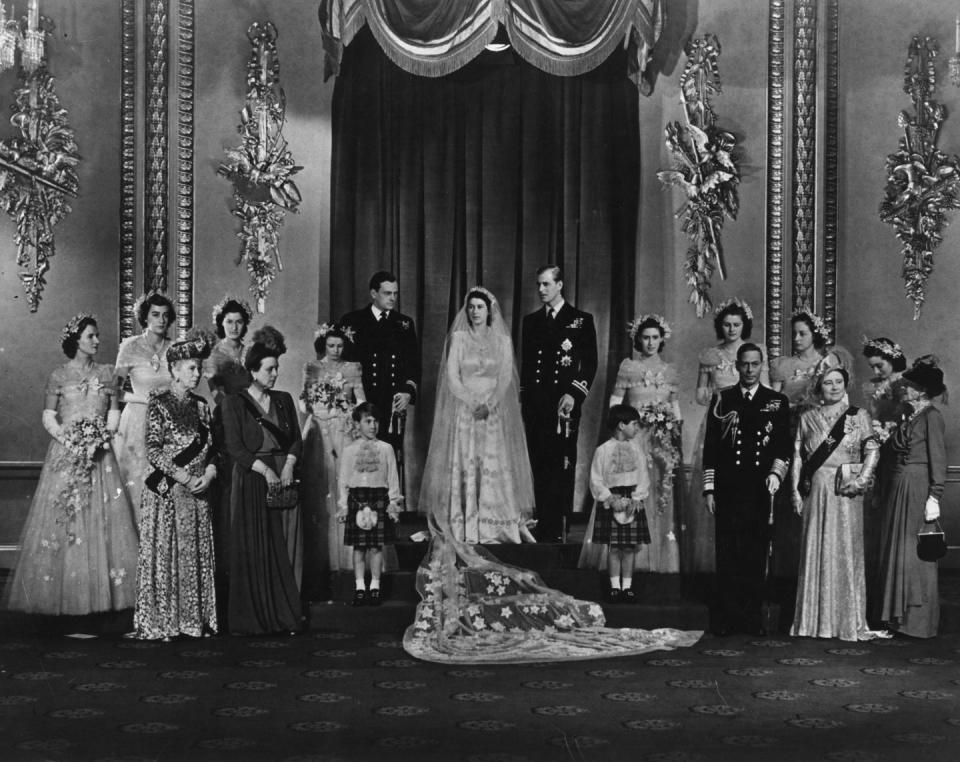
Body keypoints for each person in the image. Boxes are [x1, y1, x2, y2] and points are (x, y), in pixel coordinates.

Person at [5, 314, 139, 615]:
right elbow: (48, 416)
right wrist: (70, 441)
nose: (97, 341)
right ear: (76, 339)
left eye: (97, 335)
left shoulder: (107, 373)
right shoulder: (58, 375)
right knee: (67, 518)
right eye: (91, 336)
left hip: (101, 456)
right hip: (67, 455)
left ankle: (103, 598)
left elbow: (115, 410)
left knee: (101, 518)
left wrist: (104, 438)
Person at [419, 288, 536, 545]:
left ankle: (491, 524)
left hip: (492, 414)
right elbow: (452, 376)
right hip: (465, 410)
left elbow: (505, 376)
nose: (474, 312)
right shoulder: (459, 338)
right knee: (466, 462)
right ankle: (465, 522)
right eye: (470, 307)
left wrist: (490, 404)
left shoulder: (502, 341)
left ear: (489, 310)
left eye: (479, 307)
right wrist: (472, 403)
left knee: (491, 464)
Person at [789, 367, 888, 641]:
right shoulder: (807, 417)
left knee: (844, 550)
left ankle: (845, 621)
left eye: (838, 382)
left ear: (846, 384)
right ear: (819, 387)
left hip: (846, 491)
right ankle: (813, 621)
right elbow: (797, 456)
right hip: (816, 489)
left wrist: (862, 480)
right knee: (815, 549)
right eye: (828, 383)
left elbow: (872, 450)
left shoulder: (858, 416)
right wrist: (795, 493)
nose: (833, 387)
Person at [133, 334, 218, 641]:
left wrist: (208, 474)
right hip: (169, 491)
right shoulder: (159, 404)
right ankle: (166, 622)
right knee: (168, 557)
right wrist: (183, 478)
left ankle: (194, 621)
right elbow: (153, 450)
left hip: (198, 492)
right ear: (175, 369)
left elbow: (211, 448)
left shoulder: (201, 406)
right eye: (192, 368)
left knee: (193, 556)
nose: (198, 374)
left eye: (199, 368)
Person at [702, 343, 791, 635]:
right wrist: (710, 488)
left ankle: (751, 617)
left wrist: (776, 475)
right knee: (728, 552)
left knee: (755, 552)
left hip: (759, 489)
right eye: (745, 364)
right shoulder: (723, 399)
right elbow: (711, 447)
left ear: (762, 365)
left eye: (755, 365)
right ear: (737, 366)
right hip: (729, 488)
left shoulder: (776, 401)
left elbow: (782, 446)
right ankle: (727, 619)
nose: (750, 370)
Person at [220, 328, 303, 635]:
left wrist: (288, 466)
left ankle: (285, 613)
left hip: (285, 477)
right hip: (254, 479)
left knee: (285, 548)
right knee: (256, 550)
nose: (275, 374)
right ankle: (256, 618)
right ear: (253, 370)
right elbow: (236, 448)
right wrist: (266, 471)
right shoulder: (233, 403)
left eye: (277, 368)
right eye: (269, 369)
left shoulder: (284, 400)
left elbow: (295, 440)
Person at [687, 298, 765, 575]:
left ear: (745, 326)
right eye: (727, 325)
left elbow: (764, 390)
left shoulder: (755, 354)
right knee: (717, 487)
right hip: (720, 424)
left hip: (749, 424)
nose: (731, 329)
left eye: (737, 325)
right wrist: (717, 395)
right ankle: (715, 564)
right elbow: (699, 394)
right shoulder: (710, 356)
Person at [520, 265, 598, 542]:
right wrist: (525, 402)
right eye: (539, 285)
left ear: (560, 285)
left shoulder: (580, 320)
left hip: (563, 405)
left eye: (546, 284)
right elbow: (527, 367)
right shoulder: (531, 321)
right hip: (537, 406)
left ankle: (560, 525)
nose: (541, 290)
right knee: (539, 464)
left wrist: (574, 395)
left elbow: (589, 363)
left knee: (562, 463)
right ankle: (544, 522)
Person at [876, 358, 947, 638]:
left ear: (921, 390)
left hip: (917, 489)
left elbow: (938, 460)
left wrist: (935, 496)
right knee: (898, 551)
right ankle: (896, 619)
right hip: (898, 488)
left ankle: (917, 623)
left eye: (910, 385)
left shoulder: (932, 417)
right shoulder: (911, 415)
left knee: (914, 555)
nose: (905, 388)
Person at [605, 314, 681, 573]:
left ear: (662, 340)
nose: (650, 342)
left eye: (655, 338)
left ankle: (658, 555)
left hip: (661, 440)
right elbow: (616, 402)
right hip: (634, 438)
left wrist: (674, 427)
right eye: (646, 337)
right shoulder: (629, 367)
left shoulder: (669, 370)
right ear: (638, 339)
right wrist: (621, 428)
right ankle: (629, 555)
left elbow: (674, 405)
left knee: (660, 489)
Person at [339, 271, 421, 492]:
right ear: (374, 293)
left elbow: (413, 364)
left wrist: (407, 392)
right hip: (362, 402)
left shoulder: (403, 323)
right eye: (387, 293)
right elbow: (343, 363)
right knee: (361, 457)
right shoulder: (353, 321)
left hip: (392, 404)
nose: (392, 298)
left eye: (395, 293)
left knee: (389, 457)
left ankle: (387, 513)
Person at [300, 323, 365, 577]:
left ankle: (348, 555)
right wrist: (317, 404)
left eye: (340, 345)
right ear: (323, 345)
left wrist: (350, 412)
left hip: (344, 429)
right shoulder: (312, 367)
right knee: (321, 483)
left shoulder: (352, 368)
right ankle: (321, 554)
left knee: (344, 484)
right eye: (331, 345)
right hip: (319, 428)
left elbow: (361, 400)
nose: (336, 350)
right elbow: (303, 401)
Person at [114, 292, 176, 519]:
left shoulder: (175, 348)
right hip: (136, 421)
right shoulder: (130, 347)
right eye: (155, 314)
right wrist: (143, 399)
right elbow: (115, 390)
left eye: (165, 315)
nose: (161, 320)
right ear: (145, 317)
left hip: (168, 422)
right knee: (136, 480)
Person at [580, 404, 651, 602]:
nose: (637, 428)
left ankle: (627, 587)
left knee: (629, 548)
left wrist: (637, 498)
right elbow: (595, 479)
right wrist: (609, 498)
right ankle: (614, 586)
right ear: (621, 425)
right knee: (614, 548)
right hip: (612, 500)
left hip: (632, 500)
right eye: (635, 424)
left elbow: (644, 477)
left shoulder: (637, 450)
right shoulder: (603, 450)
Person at [338, 402, 402, 606]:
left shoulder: (386, 449)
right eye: (368, 421)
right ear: (357, 424)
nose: (373, 425)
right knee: (359, 548)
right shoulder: (349, 451)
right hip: (357, 498)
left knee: (375, 547)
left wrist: (393, 503)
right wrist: (344, 506)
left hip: (379, 499)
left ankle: (375, 586)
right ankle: (359, 587)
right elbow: (343, 480)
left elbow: (393, 478)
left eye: (376, 421)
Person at [205, 296, 253, 404]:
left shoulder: (250, 351)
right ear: (221, 322)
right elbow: (217, 397)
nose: (234, 328)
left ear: (244, 323)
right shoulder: (213, 355)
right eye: (229, 322)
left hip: (253, 410)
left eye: (239, 322)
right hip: (227, 411)